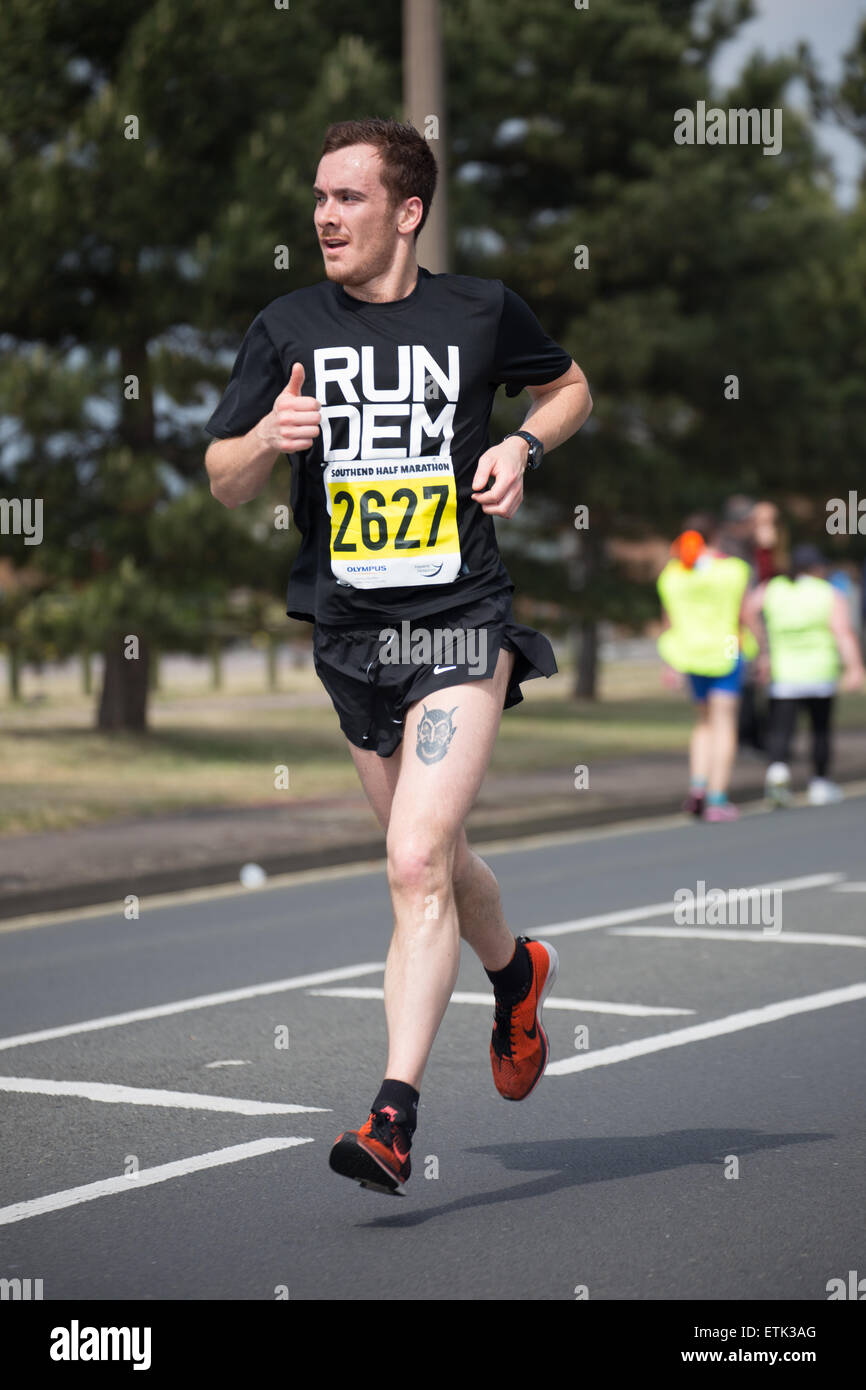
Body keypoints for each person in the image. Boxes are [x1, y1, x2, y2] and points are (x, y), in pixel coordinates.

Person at [203, 118, 592, 1195]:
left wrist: (520, 442)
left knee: (415, 859)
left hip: (462, 615)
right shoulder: (284, 326)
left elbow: (569, 387)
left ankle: (390, 1117)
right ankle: (517, 974)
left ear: (405, 211)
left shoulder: (478, 308)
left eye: (347, 198)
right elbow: (222, 474)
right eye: (317, 198)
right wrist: (263, 444)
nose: (323, 215)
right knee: (435, 856)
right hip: (350, 635)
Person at [743, 544, 865, 806]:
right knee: (820, 729)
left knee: (780, 730)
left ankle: (777, 775)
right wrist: (855, 667)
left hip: (785, 673)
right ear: (817, 568)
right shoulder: (828, 592)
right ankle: (820, 783)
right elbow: (843, 632)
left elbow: (748, 611)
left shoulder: (773, 588)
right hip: (819, 672)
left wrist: (761, 645)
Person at [656, 515, 755, 822]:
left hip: (689, 654)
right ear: (715, 536)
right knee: (724, 723)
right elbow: (746, 614)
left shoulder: (672, 573)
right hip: (726, 652)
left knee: (703, 723)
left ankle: (697, 787)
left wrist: (670, 662)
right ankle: (716, 799)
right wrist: (761, 652)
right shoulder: (733, 569)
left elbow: (667, 620)